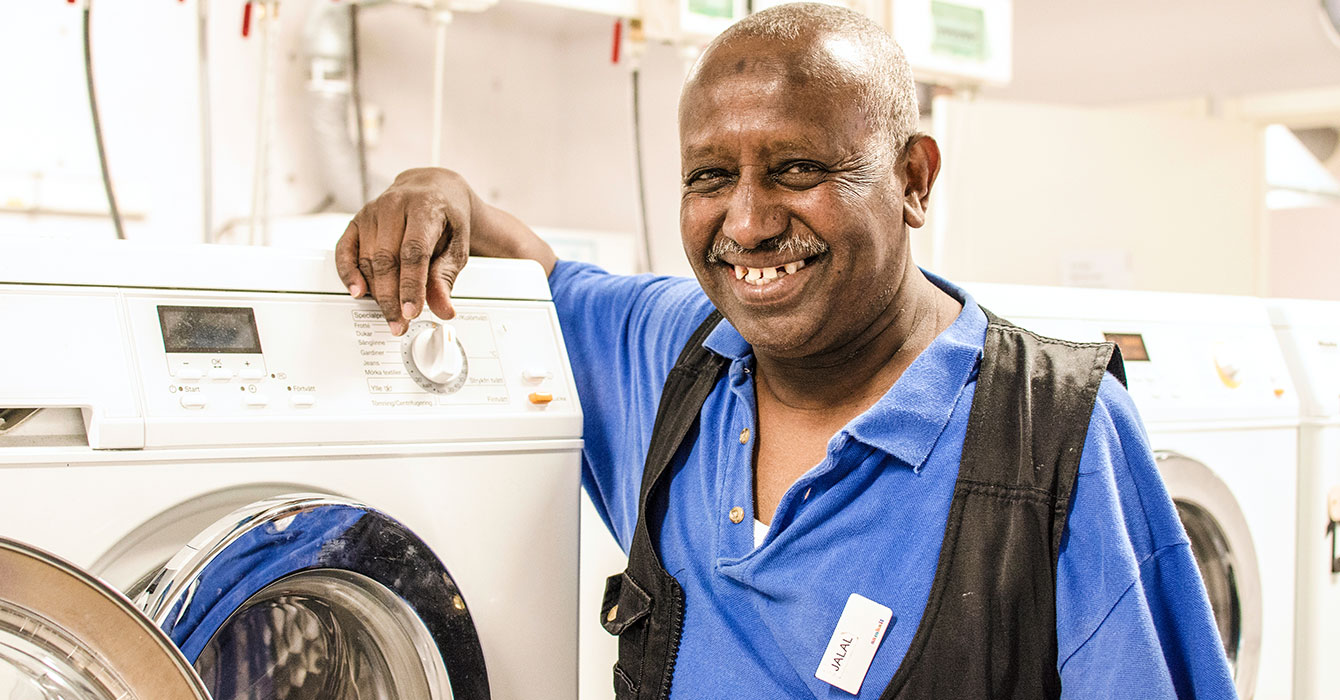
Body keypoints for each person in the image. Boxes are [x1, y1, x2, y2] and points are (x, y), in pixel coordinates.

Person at [334, 4, 1238, 698]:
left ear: (914, 178)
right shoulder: (674, 354)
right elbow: (534, 274)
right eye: (710, 177)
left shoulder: (1056, 438)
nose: (748, 223)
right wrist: (430, 186)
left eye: (798, 169)